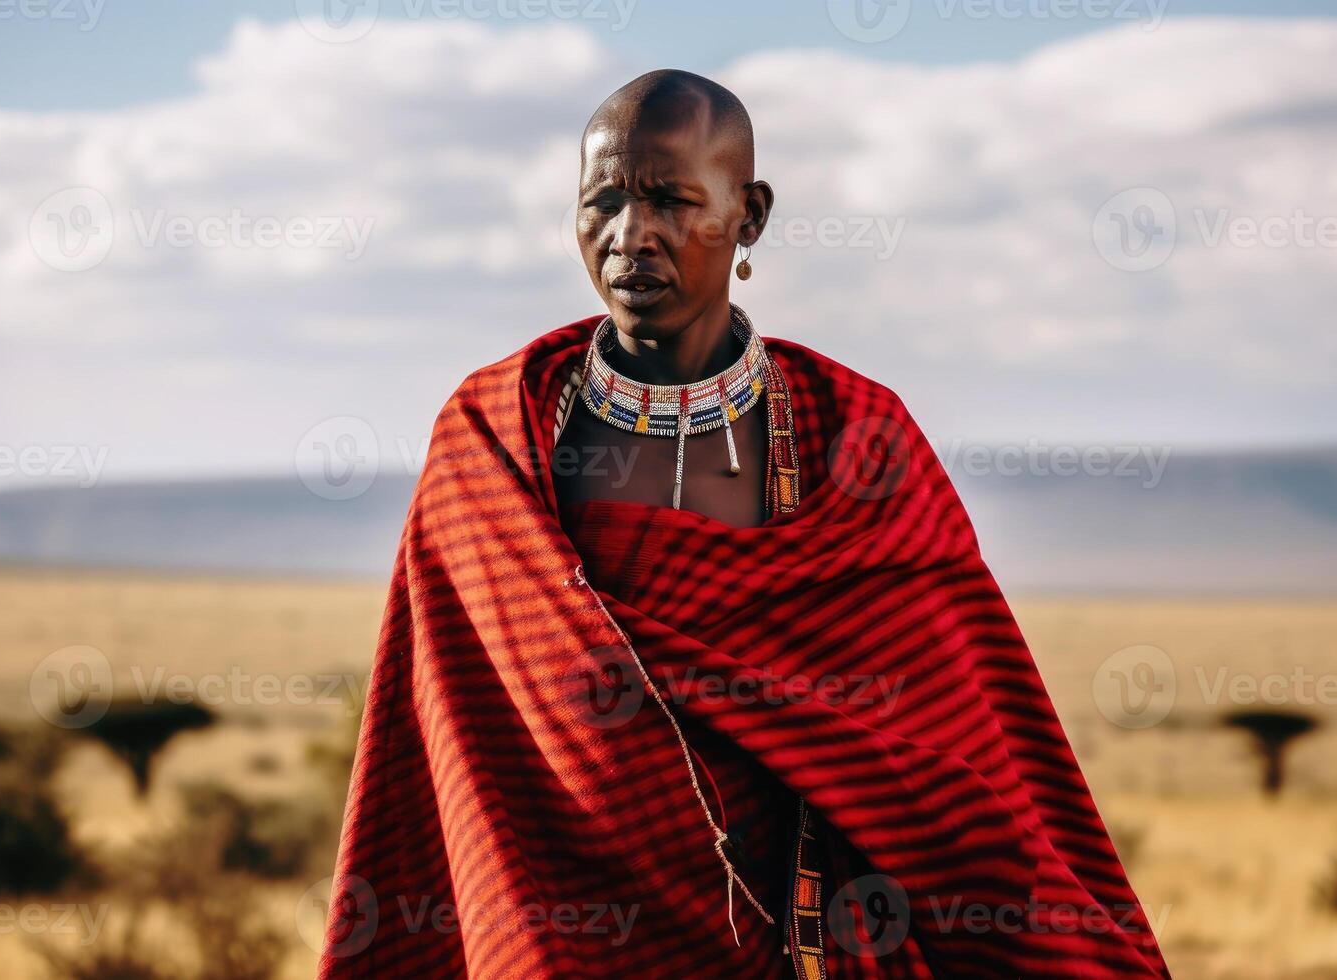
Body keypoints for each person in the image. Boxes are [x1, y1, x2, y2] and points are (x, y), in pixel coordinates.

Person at [317, 69, 1171, 979]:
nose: (629, 235)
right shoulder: (492, 439)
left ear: (750, 214)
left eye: (670, 200)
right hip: (553, 934)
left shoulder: (858, 439)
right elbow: (433, 742)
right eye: (601, 201)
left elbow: (953, 741)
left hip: (794, 940)